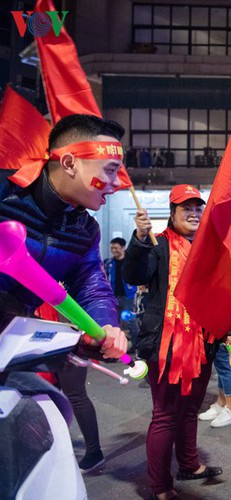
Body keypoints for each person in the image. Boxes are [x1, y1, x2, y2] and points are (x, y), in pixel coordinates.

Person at [0, 114, 129, 472]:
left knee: (49, 412)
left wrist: (106, 327)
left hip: (12, 343)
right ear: (70, 162)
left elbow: (91, 283)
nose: (115, 183)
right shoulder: (4, 192)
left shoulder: (85, 229)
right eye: (110, 170)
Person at [123, 184, 223, 500]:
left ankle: (190, 464)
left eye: (198, 208)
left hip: (202, 343)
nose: (194, 214)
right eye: (186, 209)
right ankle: (160, 486)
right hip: (165, 345)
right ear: (172, 213)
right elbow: (134, 274)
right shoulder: (158, 244)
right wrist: (139, 239)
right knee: (165, 414)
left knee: (191, 407)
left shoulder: (206, 247)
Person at [198, 326, 231, 428]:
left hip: (221, 332)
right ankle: (221, 404)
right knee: (221, 368)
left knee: (224, 368)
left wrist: (229, 333)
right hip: (216, 332)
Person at [104, 237, 138, 339]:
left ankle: (135, 344)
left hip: (128, 296)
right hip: (113, 297)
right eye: (112, 248)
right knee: (115, 321)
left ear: (123, 248)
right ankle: (118, 343)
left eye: (116, 248)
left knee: (130, 321)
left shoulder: (130, 262)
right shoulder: (108, 263)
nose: (113, 250)